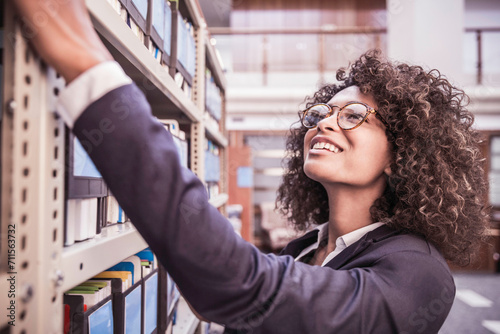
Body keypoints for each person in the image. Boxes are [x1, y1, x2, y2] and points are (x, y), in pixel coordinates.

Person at [12, 1, 489, 333]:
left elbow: (240, 287)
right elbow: (216, 296)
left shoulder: (419, 274)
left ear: (402, 150)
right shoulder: (308, 247)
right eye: (320, 115)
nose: (325, 124)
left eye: (354, 116)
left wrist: (88, 66)